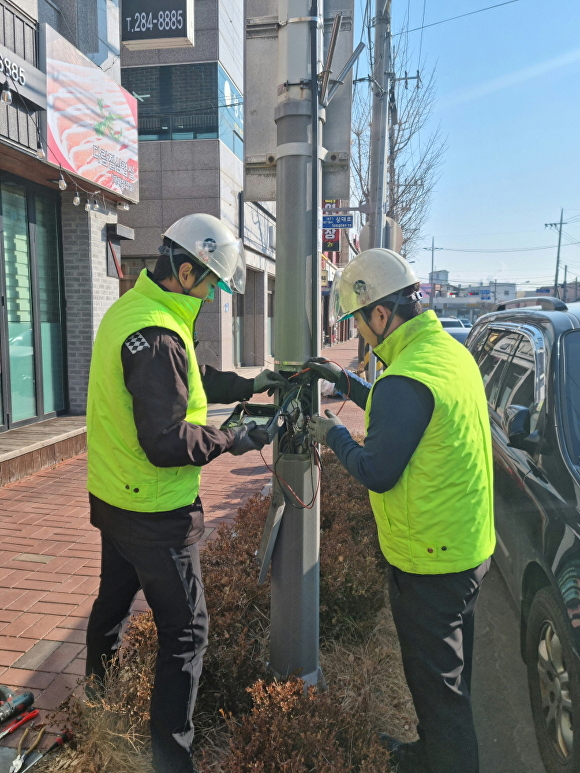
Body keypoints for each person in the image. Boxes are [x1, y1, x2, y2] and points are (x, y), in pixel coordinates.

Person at [85, 213, 287, 773]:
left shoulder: (134, 313)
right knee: (186, 630)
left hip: (115, 497)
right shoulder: (157, 337)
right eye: (213, 284)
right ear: (186, 269)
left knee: (113, 604)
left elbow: (192, 375)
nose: (216, 295)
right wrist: (235, 437)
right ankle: (171, 763)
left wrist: (249, 385)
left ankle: (96, 705)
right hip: (153, 508)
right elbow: (168, 442)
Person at [306, 248, 494, 773]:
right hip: (467, 546)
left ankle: (449, 759)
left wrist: (334, 435)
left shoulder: (405, 379)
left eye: (359, 322)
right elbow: (406, 416)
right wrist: (346, 384)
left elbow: (377, 470)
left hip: (430, 563)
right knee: (448, 680)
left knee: (441, 693)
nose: (360, 334)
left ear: (381, 315)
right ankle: (428, 753)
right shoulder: (448, 355)